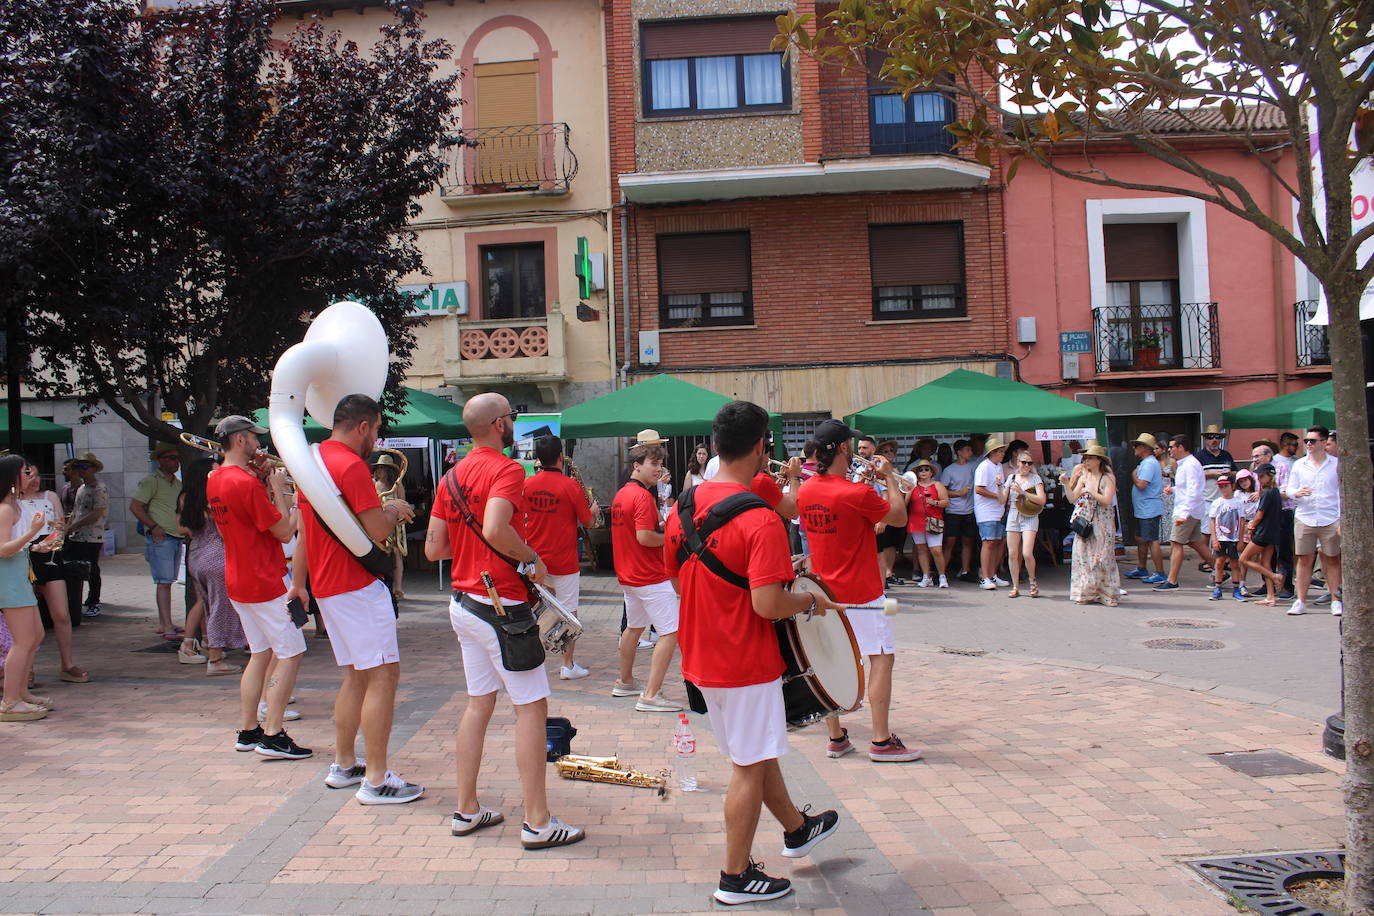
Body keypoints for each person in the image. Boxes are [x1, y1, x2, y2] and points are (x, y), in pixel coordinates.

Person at [666, 400, 842, 905]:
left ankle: (796, 828)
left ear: (715, 444)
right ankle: (735, 877)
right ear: (763, 445)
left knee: (754, 751)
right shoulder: (760, 518)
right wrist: (809, 599)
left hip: (701, 656)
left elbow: (679, 580)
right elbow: (768, 605)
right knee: (748, 764)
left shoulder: (681, 506)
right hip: (745, 660)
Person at [426, 392, 584, 849]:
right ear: (499, 424)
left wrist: (478, 553)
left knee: (479, 704)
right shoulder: (508, 469)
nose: (515, 423)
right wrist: (532, 558)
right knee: (531, 708)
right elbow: (496, 528)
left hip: (464, 601)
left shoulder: (452, 475)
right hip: (501, 607)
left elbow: (435, 547)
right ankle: (537, 821)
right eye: (512, 417)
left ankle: (467, 808)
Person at [289, 397, 421, 799]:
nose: (376, 438)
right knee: (383, 676)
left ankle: (345, 764)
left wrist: (299, 584)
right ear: (363, 426)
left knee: (356, 676)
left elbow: (305, 534)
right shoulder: (349, 465)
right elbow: (377, 530)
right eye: (377, 429)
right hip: (358, 586)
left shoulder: (310, 464)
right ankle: (377, 779)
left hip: (329, 587)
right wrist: (395, 508)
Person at [798, 419, 919, 763]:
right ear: (844, 449)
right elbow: (896, 516)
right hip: (862, 591)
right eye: (850, 445)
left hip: (822, 589)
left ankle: (836, 736)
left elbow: (844, 516)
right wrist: (888, 479)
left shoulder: (807, 489)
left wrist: (863, 485)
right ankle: (880, 741)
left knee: (826, 661)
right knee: (881, 659)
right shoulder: (856, 492)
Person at [205, 417, 309, 760]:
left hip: (239, 577)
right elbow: (283, 532)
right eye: (252, 437)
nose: (257, 444)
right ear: (239, 440)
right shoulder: (244, 483)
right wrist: (279, 489)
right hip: (265, 579)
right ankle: (274, 733)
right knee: (291, 652)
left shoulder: (216, 479)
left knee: (260, 653)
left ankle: (249, 729)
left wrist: (264, 480)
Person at [609, 436, 682, 712]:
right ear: (636, 465)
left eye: (660, 463)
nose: (658, 468)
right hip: (649, 575)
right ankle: (651, 694)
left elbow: (637, 531)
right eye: (653, 463)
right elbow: (644, 537)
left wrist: (660, 526)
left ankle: (626, 681)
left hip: (629, 575)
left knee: (634, 627)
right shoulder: (641, 496)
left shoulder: (622, 494)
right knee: (670, 632)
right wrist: (670, 535)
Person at [523, 435, 592, 680]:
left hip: (534, 559)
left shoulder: (527, 485)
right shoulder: (570, 485)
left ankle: (535, 664)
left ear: (538, 458)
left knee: (536, 613)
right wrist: (591, 508)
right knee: (569, 614)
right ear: (561, 457)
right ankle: (567, 664)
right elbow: (590, 522)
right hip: (565, 561)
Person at [177, 457, 246, 677]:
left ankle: (213, 648)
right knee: (219, 607)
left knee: (210, 606)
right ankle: (215, 658)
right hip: (217, 555)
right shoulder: (213, 498)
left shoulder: (187, 498)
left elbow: (182, 527)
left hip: (196, 554)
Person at [18, 462, 86, 683]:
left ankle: (67, 664)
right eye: (29, 475)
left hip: (50, 556)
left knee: (61, 613)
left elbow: (59, 527)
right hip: (23, 556)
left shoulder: (49, 496)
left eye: (37, 475)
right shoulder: (11, 501)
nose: (34, 479)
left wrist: (55, 538)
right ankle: (27, 668)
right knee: (28, 619)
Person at [0, 454, 49, 721]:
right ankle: (9, 701)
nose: (30, 477)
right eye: (25, 472)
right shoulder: (6, 509)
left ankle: (20, 694)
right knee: (23, 641)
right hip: (9, 580)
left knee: (36, 635)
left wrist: (35, 545)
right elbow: (2, 549)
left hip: (19, 577)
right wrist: (31, 533)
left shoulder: (14, 505)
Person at [1283, 425, 1342, 616]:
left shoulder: (1336, 463)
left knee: (1332, 558)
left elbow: (1341, 494)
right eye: (1306, 440)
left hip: (1330, 516)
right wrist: (1296, 493)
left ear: (1324, 443)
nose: (1308, 444)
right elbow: (1289, 489)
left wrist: (1342, 520)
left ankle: (1335, 599)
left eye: (1312, 441)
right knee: (1303, 559)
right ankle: (1301, 600)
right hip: (1305, 516)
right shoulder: (1299, 464)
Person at [129, 443, 185, 639]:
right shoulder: (151, 481)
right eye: (171, 458)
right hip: (161, 537)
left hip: (175, 536)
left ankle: (166, 622)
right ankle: (166, 624)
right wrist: (153, 526)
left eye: (177, 458)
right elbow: (135, 506)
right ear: (161, 460)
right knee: (163, 582)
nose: (176, 461)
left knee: (168, 581)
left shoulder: (177, 485)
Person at [1154, 436, 1214, 590]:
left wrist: (1184, 514)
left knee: (1176, 542)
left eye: (1172, 447)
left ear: (1181, 447)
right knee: (1195, 542)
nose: (1170, 450)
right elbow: (1186, 487)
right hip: (1189, 509)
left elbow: (1194, 491)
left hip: (1187, 510)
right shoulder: (1186, 464)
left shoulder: (1190, 465)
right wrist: (1172, 489)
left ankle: (1172, 580)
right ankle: (1220, 570)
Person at [1067, 444, 1120, 606]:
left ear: (1098, 460)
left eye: (1089, 458)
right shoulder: (1084, 476)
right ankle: (1085, 593)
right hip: (1086, 521)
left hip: (1102, 522)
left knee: (1102, 558)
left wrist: (1091, 491)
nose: (1086, 461)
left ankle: (1106, 594)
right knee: (1083, 557)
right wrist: (1065, 483)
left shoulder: (1107, 478)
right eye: (1085, 458)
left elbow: (1106, 500)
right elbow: (1072, 498)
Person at [64, 453, 107, 618]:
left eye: (85, 467)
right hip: (76, 535)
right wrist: (68, 527)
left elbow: (97, 512)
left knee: (91, 568)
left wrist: (74, 525)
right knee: (73, 567)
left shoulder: (99, 488)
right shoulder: (81, 488)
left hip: (92, 535)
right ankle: (74, 600)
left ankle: (94, 601)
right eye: (78, 467)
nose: (81, 471)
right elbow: (76, 511)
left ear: (94, 469)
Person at [1241, 464, 1286, 606]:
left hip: (1263, 532)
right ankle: (1270, 596)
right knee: (1266, 563)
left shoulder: (1267, 493)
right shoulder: (1275, 492)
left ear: (1270, 476)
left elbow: (1260, 514)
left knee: (1244, 558)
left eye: (1262, 476)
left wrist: (1252, 525)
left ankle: (1274, 576)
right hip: (1273, 532)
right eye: (1258, 476)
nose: (1259, 479)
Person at [1124, 433, 1166, 583]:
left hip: (1149, 508)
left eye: (1137, 445)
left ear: (1144, 448)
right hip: (1144, 508)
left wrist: (1133, 475)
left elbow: (1142, 484)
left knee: (1151, 540)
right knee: (1141, 538)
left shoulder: (1148, 463)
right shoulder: (1147, 462)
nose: (1134, 448)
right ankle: (1142, 568)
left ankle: (1160, 572)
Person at [1004, 452, 1045, 598]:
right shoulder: (1011, 478)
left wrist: (1023, 493)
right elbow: (1002, 499)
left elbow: (1042, 500)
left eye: (1029, 463)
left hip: (1030, 515)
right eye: (1024, 462)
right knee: (1012, 553)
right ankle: (1015, 586)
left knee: (1027, 553)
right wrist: (998, 485)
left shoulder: (1035, 478)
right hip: (1014, 514)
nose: (1027, 466)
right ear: (1017, 462)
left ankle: (1032, 581)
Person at [973, 439, 1011, 590]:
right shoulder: (983, 467)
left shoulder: (999, 466)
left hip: (998, 510)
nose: (1002, 454)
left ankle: (992, 574)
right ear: (992, 453)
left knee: (997, 542)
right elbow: (979, 489)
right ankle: (984, 577)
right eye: (1000, 451)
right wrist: (997, 496)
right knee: (988, 542)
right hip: (986, 511)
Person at [906, 460, 949, 588]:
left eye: (926, 469)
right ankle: (926, 576)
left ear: (931, 472)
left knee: (936, 550)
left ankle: (942, 576)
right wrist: (907, 489)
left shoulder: (938, 485)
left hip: (933, 520)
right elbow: (905, 503)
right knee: (921, 549)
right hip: (916, 521)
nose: (923, 472)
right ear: (917, 473)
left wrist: (934, 502)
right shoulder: (913, 486)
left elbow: (946, 501)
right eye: (921, 470)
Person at [939, 440, 978, 582]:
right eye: (967, 450)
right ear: (959, 452)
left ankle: (965, 571)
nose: (970, 453)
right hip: (953, 511)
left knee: (968, 541)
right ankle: (941, 572)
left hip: (969, 510)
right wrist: (958, 493)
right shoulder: (949, 470)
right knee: (950, 542)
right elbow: (942, 490)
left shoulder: (973, 467)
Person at [371, 454, 407, 600]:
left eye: (382, 468)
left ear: (388, 470)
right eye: (378, 468)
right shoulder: (373, 484)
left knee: (396, 555)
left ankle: (398, 588)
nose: (379, 471)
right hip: (378, 522)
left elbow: (403, 504)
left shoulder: (397, 485)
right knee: (380, 554)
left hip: (395, 525)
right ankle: (382, 586)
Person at [1206, 474, 1246, 602]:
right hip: (1221, 537)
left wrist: (1240, 540)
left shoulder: (1238, 503)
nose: (1223, 489)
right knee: (1219, 562)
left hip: (1233, 538)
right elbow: (1212, 521)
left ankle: (1236, 589)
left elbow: (1242, 521)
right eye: (1221, 487)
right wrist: (1215, 539)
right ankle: (1218, 588)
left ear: (1232, 486)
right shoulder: (1217, 503)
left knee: (1234, 563)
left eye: (1226, 486)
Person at [875, 440, 907, 586]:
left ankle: (890, 572)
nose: (890, 454)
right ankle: (885, 574)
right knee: (884, 545)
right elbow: (884, 493)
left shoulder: (896, 470)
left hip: (897, 509)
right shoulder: (879, 470)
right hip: (885, 512)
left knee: (893, 543)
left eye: (891, 451)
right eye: (886, 451)